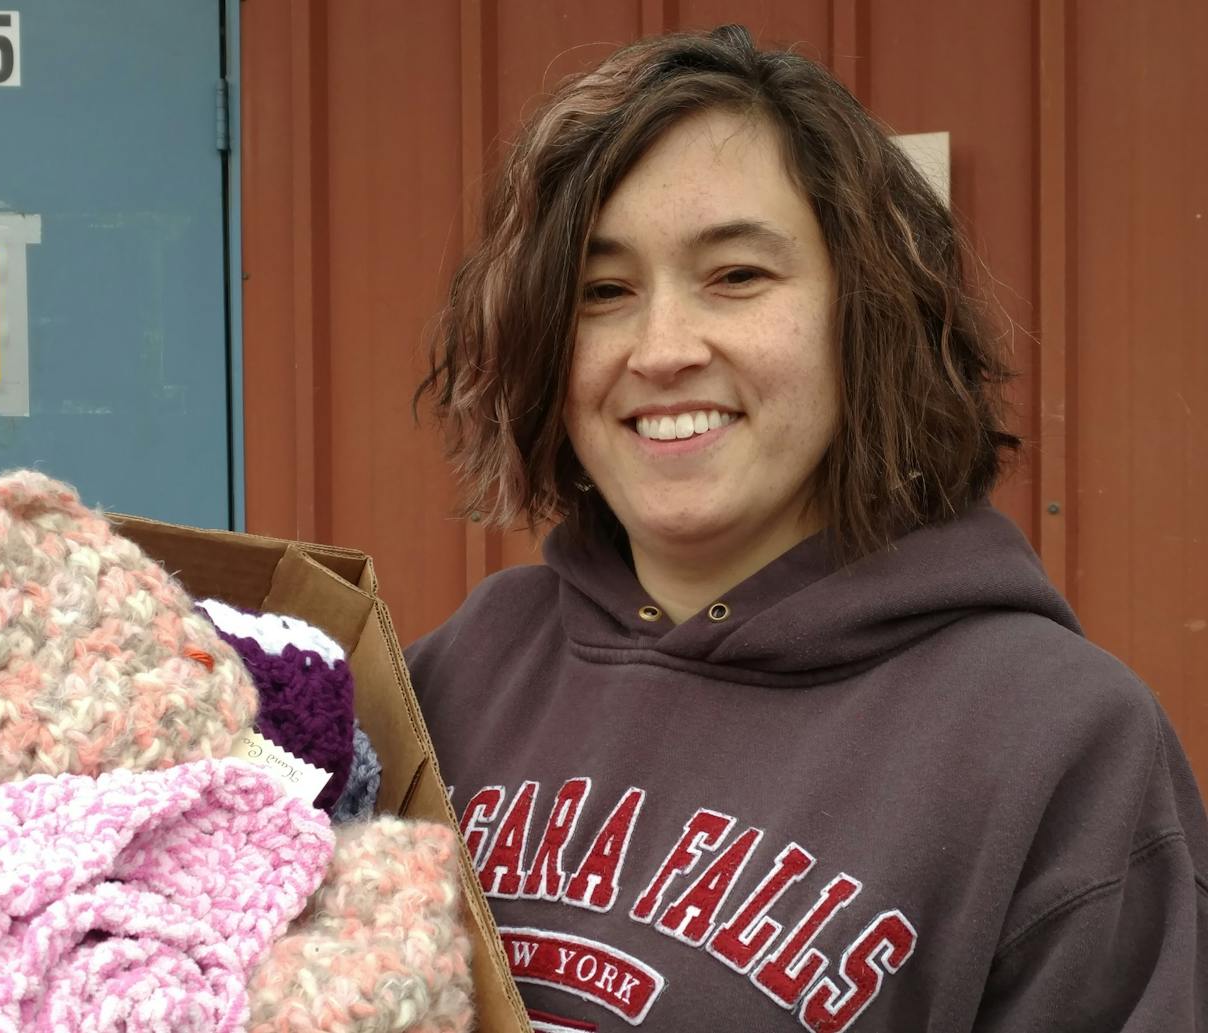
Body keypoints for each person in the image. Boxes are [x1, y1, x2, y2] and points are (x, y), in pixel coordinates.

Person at [407, 23, 1208, 1033]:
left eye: (735, 275)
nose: (659, 349)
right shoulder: (466, 668)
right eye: (602, 292)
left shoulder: (1056, 742)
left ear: (863, 315)